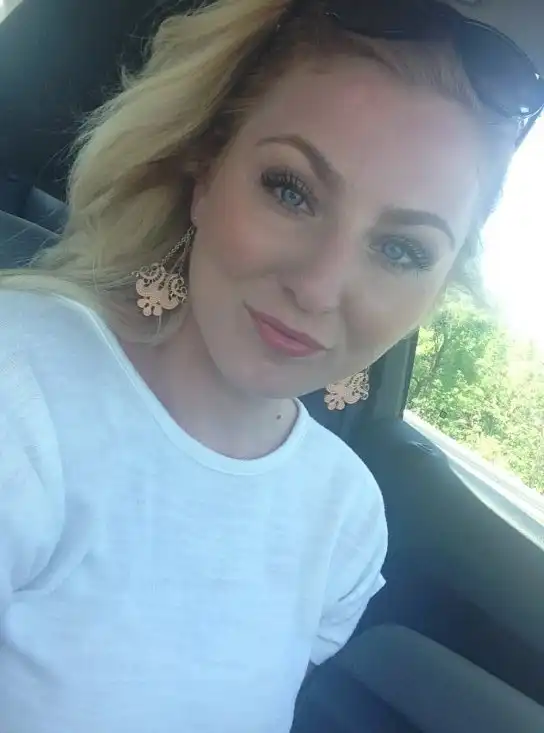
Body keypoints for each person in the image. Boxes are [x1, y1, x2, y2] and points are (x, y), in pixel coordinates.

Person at [0, 0, 540, 731]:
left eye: (402, 250)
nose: (319, 286)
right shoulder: (23, 390)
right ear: (204, 175)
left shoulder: (347, 517)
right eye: (291, 191)